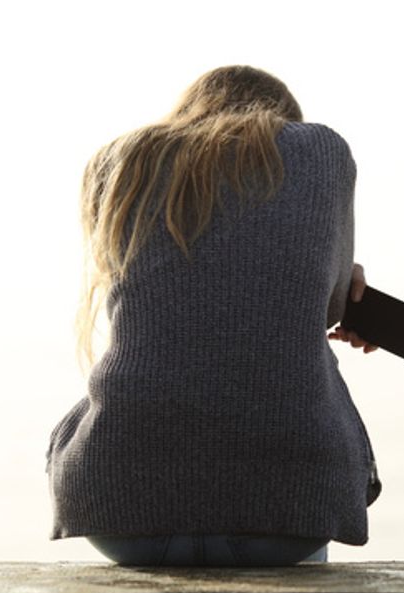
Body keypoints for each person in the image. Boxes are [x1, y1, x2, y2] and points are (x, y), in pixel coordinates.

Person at [46, 65, 381, 567]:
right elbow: (330, 308)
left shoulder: (117, 163)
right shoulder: (321, 152)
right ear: (284, 122)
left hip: (119, 513)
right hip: (285, 519)